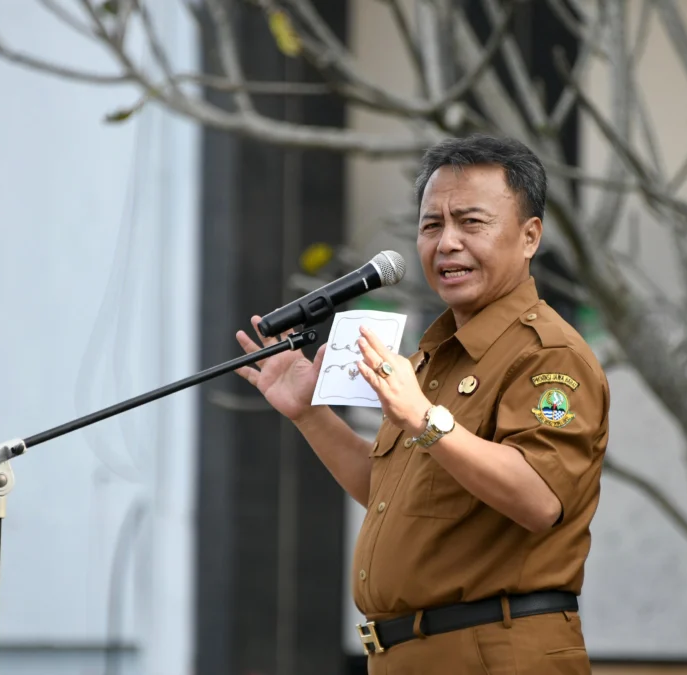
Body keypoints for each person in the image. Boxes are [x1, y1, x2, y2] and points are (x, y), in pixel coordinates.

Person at [234, 134, 610, 674]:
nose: (447, 243)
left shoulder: (547, 354)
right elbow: (390, 493)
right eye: (432, 225)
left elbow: (539, 497)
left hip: (493, 654)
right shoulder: (438, 356)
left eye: (471, 223)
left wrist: (424, 418)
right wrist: (310, 414)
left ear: (530, 237)